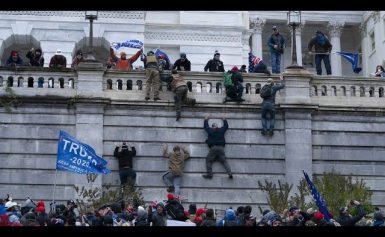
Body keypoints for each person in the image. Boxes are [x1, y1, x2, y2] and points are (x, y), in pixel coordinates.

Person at [202, 115, 233, 179]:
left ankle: (210, 175)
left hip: (213, 148)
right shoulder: (221, 130)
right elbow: (226, 126)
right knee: (224, 161)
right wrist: (224, 119)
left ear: (212, 127)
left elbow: (206, 127)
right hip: (221, 148)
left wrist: (205, 119)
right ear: (217, 126)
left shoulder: (210, 130)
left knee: (208, 161)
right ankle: (230, 173)